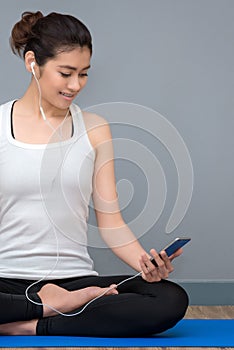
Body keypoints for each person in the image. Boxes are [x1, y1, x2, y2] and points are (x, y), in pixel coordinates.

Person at [0, 11, 188, 337]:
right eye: (66, 73)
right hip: (6, 279)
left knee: (169, 298)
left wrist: (146, 264)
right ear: (33, 62)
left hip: (74, 280)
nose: (76, 85)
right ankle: (46, 308)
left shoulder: (96, 130)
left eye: (84, 74)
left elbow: (111, 222)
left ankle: (31, 324)